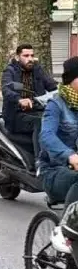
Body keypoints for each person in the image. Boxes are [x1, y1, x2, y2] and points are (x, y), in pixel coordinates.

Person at [1, 44, 57, 157]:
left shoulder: (37, 69)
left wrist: (66, 92)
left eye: (32, 55)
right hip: (17, 115)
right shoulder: (10, 71)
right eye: (26, 56)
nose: (30, 59)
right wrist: (19, 99)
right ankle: (40, 162)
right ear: (18, 57)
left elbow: (52, 86)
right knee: (40, 123)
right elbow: (6, 89)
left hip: (37, 110)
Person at [39, 57, 78, 208]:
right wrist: (70, 156)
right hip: (54, 171)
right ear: (71, 80)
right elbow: (46, 136)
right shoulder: (56, 105)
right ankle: (68, 227)